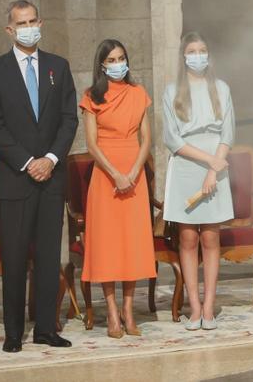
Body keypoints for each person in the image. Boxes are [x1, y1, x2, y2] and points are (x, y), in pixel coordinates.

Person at [0, 0, 78, 353]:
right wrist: (27, 162)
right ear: (10, 30)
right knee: (15, 258)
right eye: (21, 23)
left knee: (49, 257)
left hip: (51, 178)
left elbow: (69, 119)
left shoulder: (58, 67)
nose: (29, 28)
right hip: (15, 179)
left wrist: (50, 159)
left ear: (41, 23)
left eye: (33, 21)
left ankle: (46, 329)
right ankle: (13, 332)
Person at [79, 39, 156, 338]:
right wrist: (115, 175)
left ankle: (128, 310)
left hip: (134, 175)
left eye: (121, 58)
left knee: (131, 243)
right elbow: (91, 144)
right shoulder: (92, 97)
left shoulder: (139, 93)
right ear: (102, 65)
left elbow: (146, 139)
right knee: (108, 244)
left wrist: (134, 172)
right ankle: (111, 312)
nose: (117, 64)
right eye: (111, 60)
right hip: (106, 177)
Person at [161, 32, 235, 330]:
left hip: (216, 166)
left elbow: (228, 133)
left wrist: (214, 169)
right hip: (186, 166)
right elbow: (172, 139)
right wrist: (208, 162)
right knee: (189, 238)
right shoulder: (172, 92)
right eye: (192, 51)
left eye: (202, 50)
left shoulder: (221, 88)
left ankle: (208, 307)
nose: (197, 56)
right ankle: (193, 307)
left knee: (210, 238)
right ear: (183, 56)